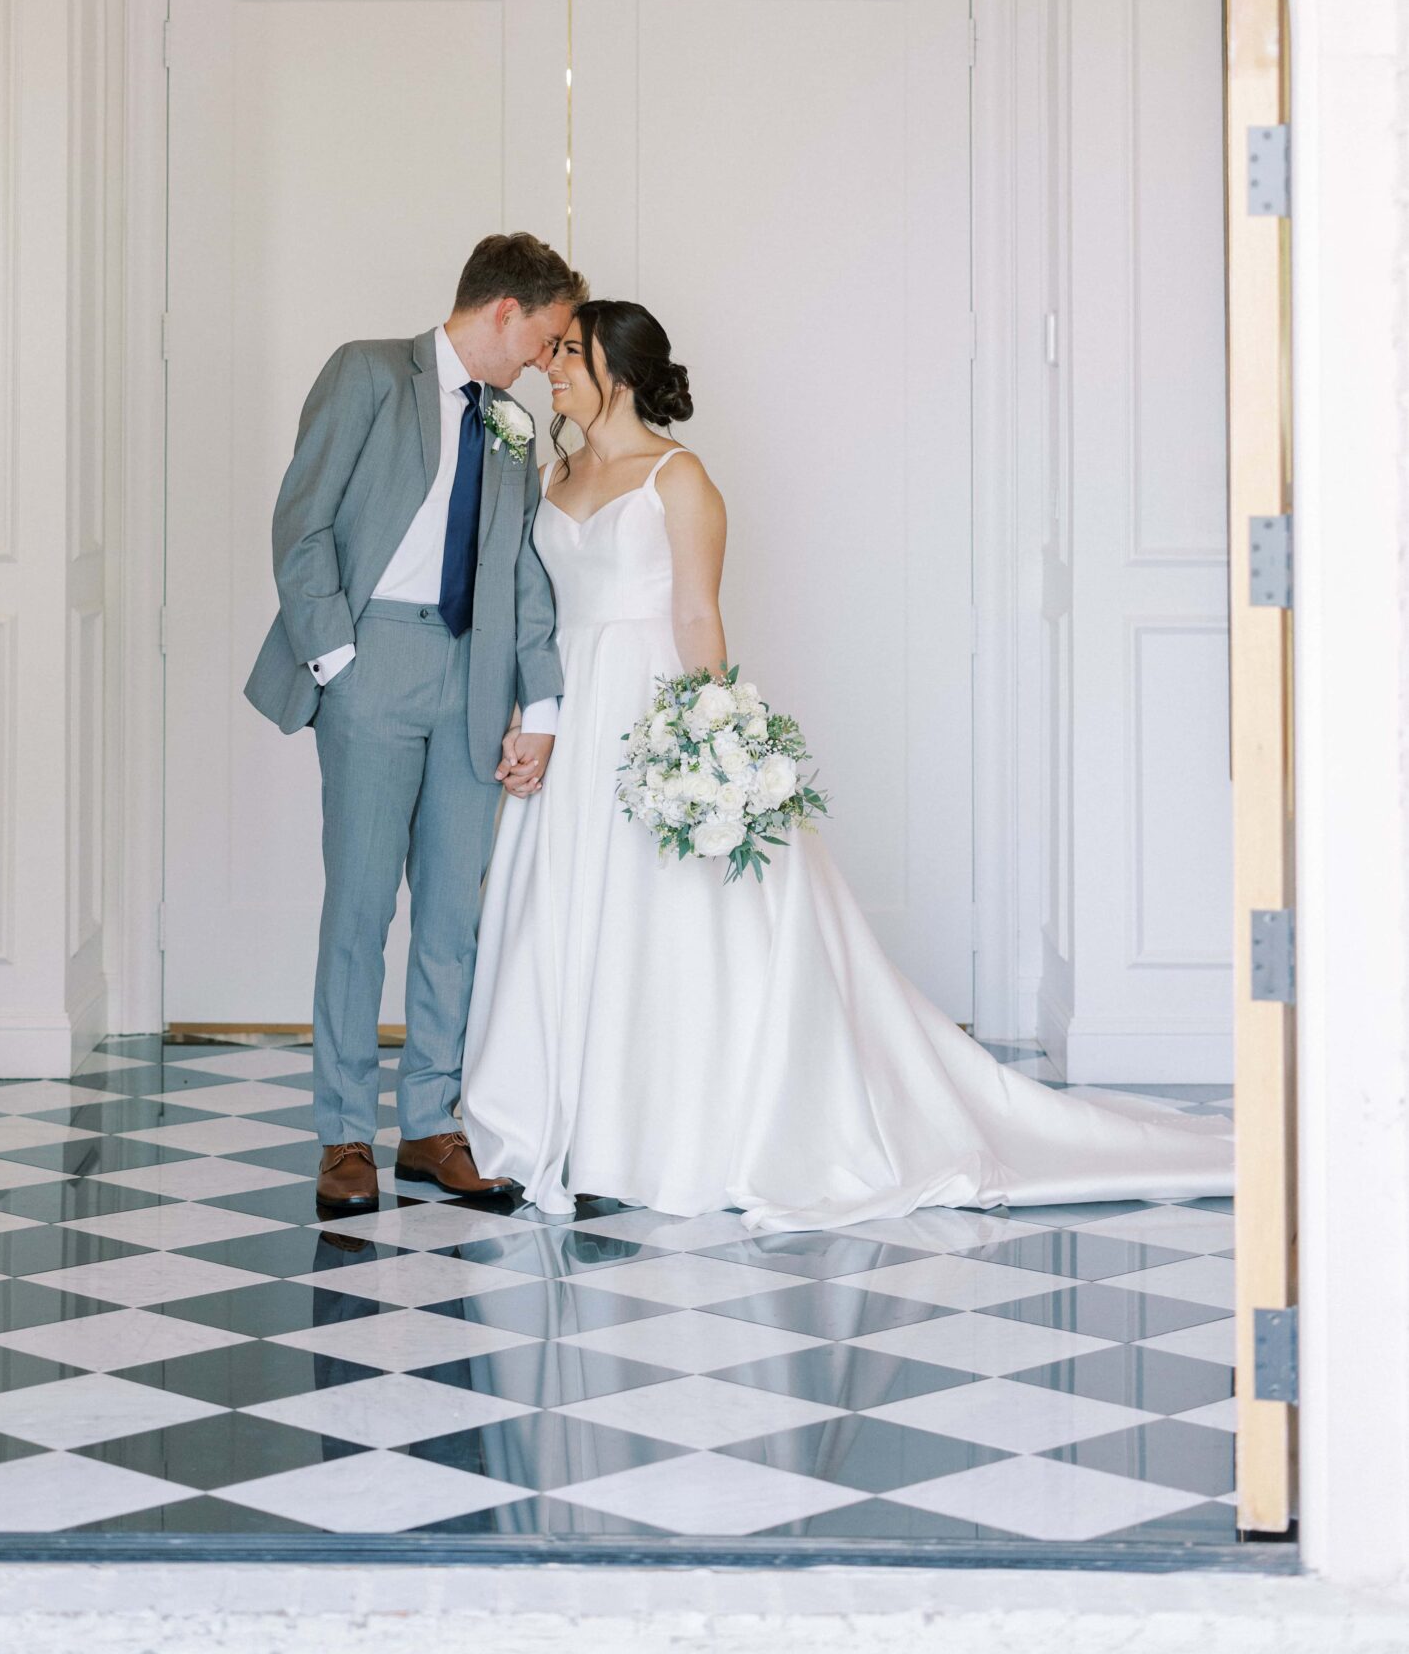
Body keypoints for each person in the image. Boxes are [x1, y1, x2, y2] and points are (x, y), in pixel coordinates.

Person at [462, 299, 1233, 1229]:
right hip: (573, 711)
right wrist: (528, 714)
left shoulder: (680, 478)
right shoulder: (553, 473)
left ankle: (661, 1128)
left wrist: (711, 742)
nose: (550, 366)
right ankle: (573, 1118)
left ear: (617, 373)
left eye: (568, 354)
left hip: (650, 706)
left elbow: (699, 617)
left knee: (664, 913)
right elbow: (536, 613)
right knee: (565, 908)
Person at [244, 232, 586, 1211]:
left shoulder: (514, 426)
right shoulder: (366, 374)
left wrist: (542, 705)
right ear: (504, 312)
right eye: (546, 337)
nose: (545, 360)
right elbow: (300, 520)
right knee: (359, 908)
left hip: (476, 679)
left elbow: (524, 574)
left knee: (453, 914)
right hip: (372, 663)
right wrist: (339, 660)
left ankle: (432, 1124)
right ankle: (345, 1133)